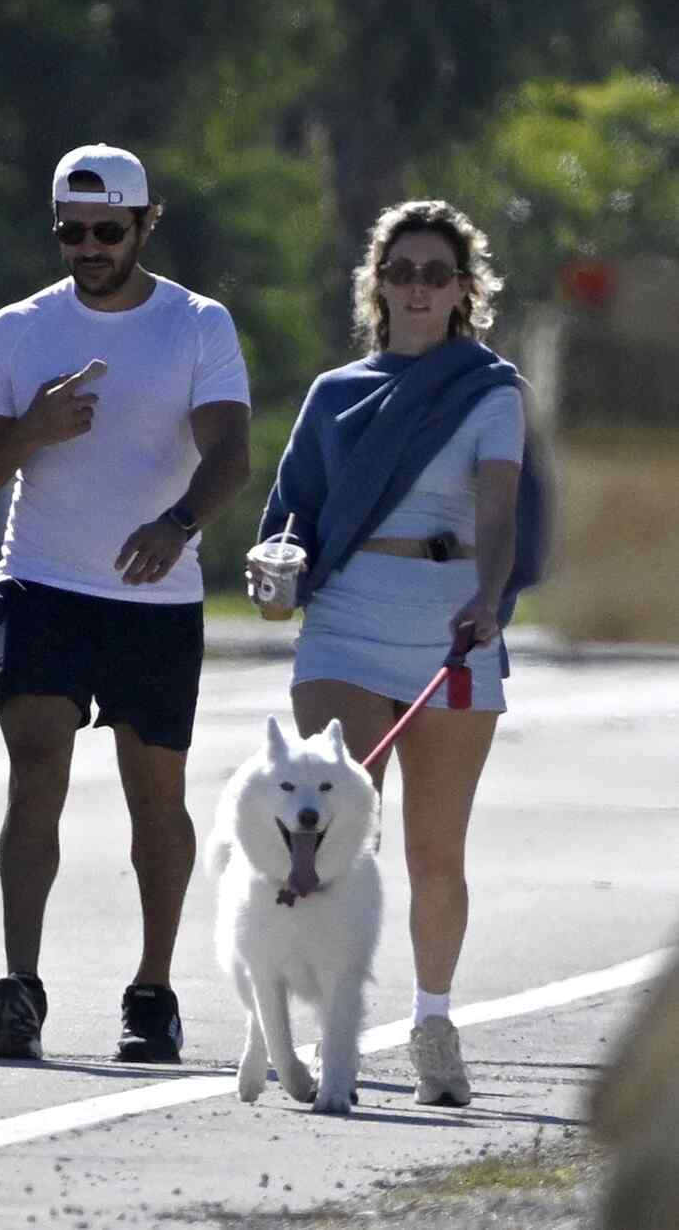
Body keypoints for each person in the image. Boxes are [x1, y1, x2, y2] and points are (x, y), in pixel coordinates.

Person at [0, 143, 251, 1063]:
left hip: (154, 597)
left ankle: (152, 991)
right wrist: (29, 431)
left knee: (154, 795)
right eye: (71, 232)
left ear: (147, 223)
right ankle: (21, 984)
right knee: (35, 767)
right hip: (42, 583)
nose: (88, 248)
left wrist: (179, 523)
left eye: (108, 231)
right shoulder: (19, 329)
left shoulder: (195, 324)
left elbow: (232, 453)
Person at [253, 198, 547, 1107]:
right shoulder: (334, 394)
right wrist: (278, 562)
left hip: (453, 627)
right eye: (402, 271)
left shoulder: (490, 391)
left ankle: (432, 1023)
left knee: (434, 853)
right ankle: (313, 1025)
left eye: (437, 274)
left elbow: (499, 511)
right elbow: (292, 511)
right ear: (377, 284)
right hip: (343, 622)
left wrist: (488, 598)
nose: (418, 288)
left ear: (464, 291)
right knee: (326, 835)